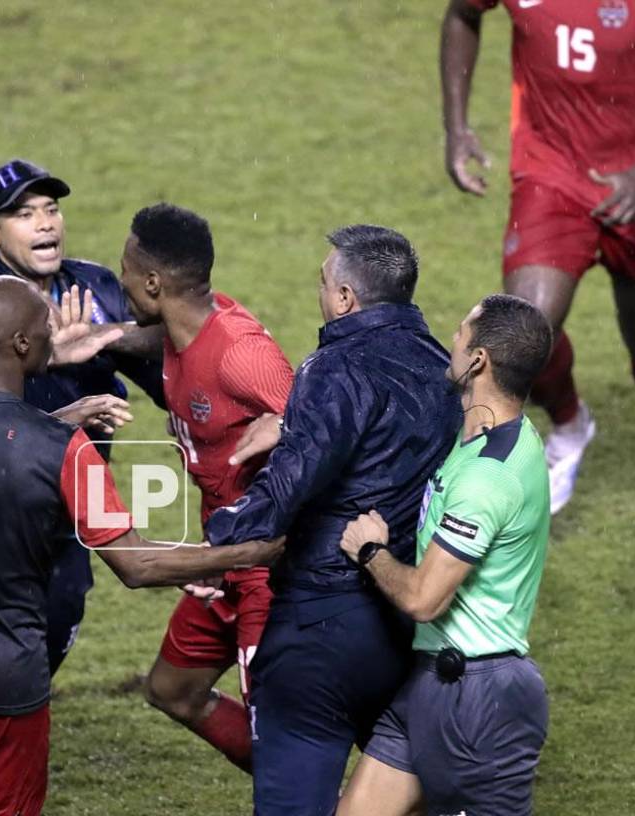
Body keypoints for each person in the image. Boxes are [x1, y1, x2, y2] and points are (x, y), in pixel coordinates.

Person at [0, 276, 283, 816]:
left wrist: (49, 423)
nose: (55, 334)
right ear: (22, 344)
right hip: (5, 688)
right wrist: (247, 553)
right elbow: (135, 563)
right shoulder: (66, 453)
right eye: (46, 326)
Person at [204, 225, 462, 815]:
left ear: (345, 298)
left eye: (324, 283)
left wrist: (218, 535)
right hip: (405, 622)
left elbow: (291, 486)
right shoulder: (445, 371)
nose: (319, 293)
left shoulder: (334, 366)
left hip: (320, 628)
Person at [440, 0, 635, 524]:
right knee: (523, 333)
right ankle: (570, 424)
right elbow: (462, 14)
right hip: (551, 173)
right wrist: (456, 127)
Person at [0, 158, 167, 678]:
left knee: (57, 615)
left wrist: (115, 337)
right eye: (24, 215)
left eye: (51, 210)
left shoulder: (93, 288)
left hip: (70, 498)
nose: (46, 223)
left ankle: (8, 723)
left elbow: (162, 373)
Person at [334, 293, 554, 816]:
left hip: (477, 700)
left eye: (459, 332)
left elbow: (425, 599)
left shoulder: (488, 477)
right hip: (432, 682)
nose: (449, 340)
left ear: (479, 360)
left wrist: (370, 552)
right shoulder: (489, 433)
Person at [117, 204, 294, 772]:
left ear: (152, 283)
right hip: (223, 557)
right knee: (173, 688)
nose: (118, 278)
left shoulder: (243, 355)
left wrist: (293, 423)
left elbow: (327, 431)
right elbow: (162, 344)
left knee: (290, 730)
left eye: (125, 268)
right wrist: (95, 338)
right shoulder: (182, 330)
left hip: (269, 564)